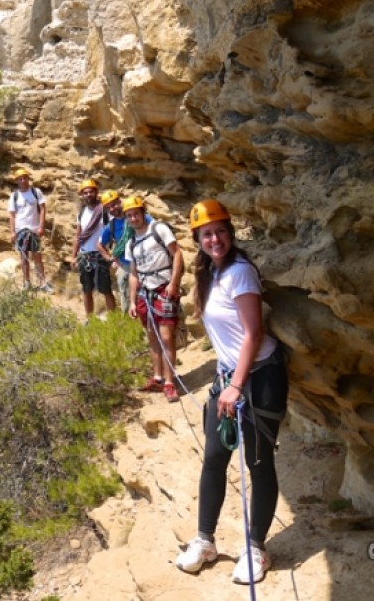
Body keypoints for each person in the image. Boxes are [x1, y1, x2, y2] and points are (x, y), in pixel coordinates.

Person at [175, 199, 289, 585]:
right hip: (230, 378)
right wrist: (228, 382)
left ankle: (256, 547)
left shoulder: (239, 272)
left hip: (259, 379)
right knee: (213, 459)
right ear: (198, 239)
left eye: (220, 231)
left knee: (258, 464)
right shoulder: (210, 272)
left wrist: (237, 385)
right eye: (206, 234)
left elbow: (254, 334)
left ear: (230, 232)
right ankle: (205, 540)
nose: (214, 238)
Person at [122, 195, 184, 402]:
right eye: (129, 216)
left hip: (163, 287)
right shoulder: (131, 242)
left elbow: (177, 254)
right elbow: (133, 273)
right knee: (152, 336)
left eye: (136, 214)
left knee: (166, 336)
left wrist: (174, 284)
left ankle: (169, 382)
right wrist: (132, 301)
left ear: (142, 212)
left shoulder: (159, 229)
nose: (133, 219)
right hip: (145, 292)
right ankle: (158, 377)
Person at [72, 178, 115, 320]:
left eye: (91, 192)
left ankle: (114, 320)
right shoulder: (82, 213)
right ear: (82, 195)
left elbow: (114, 230)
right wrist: (73, 256)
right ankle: (89, 319)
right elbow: (78, 235)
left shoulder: (104, 211)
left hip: (100, 255)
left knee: (106, 289)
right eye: (85, 192)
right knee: (87, 290)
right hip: (85, 255)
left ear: (96, 193)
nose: (88, 194)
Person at [7, 167, 52, 292]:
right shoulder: (14, 196)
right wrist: (12, 232)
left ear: (28, 178)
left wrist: (41, 226)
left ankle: (42, 283)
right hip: (21, 230)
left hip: (34, 229)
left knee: (37, 257)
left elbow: (43, 208)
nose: (23, 180)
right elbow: (11, 214)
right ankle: (26, 283)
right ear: (17, 181)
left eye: (25, 178)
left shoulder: (36, 192)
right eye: (20, 179)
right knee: (23, 258)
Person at [95, 189, 130, 307]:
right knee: (125, 298)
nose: (112, 209)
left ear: (120, 201)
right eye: (109, 207)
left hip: (143, 265)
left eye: (114, 204)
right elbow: (99, 245)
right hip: (124, 266)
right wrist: (110, 258)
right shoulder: (111, 225)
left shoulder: (134, 215)